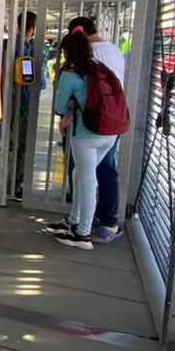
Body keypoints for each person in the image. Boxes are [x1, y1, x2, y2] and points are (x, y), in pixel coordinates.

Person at [51, 30, 117, 250]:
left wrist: (70, 106)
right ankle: (74, 220)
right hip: (111, 133)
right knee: (79, 173)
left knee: (88, 182)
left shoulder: (71, 74)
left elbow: (59, 107)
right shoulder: (101, 68)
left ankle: (82, 235)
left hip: (87, 136)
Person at [66, 16, 127, 244]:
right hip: (115, 119)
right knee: (105, 169)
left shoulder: (91, 55)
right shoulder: (114, 50)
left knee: (86, 174)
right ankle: (107, 221)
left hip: (92, 123)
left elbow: (87, 92)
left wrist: (69, 115)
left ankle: (83, 227)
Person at [11, 11, 42, 198]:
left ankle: (14, 184)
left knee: (19, 146)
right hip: (20, 104)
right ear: (32, 27)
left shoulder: (25, 46)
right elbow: (23, 82)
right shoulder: (20, 49)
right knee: (21, 146)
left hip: (21, 102)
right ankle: (13, 186)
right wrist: (25, 107)